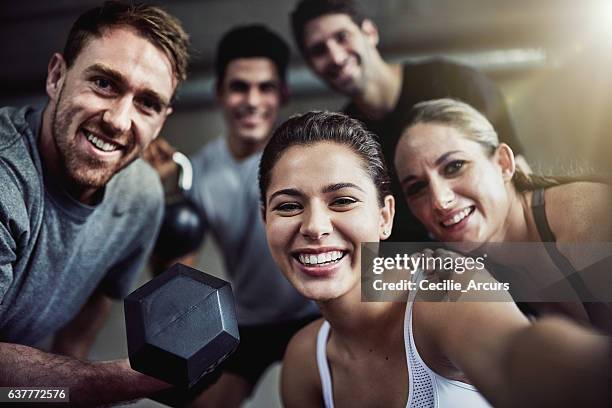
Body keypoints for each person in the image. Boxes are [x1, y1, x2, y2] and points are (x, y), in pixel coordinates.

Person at [258, 110, 609, 408]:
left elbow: (515, 355)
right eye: (288, 206)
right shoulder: (305, 361)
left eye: (343, 201)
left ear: (385, 217)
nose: (315, 227)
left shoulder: (444, 286)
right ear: (266, 220)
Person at [0, 1, 190, 405]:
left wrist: (57, 397)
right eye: (105, 83)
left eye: (147, 103)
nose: (119, 121)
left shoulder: (141, 196)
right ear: (56, 76)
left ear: (162, 121)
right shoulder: (6, 181)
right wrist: (114, 381)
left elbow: (95, 303)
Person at [143, 25, 319, 407]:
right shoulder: (201, 171)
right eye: (240, 87)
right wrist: (169, 199)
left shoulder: (304, 158)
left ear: (282, 95)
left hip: (313, 312)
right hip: (249, 323)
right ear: (219, 93)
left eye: (265, 88)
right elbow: (174, 277)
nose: (252, 101)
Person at [290, 0, 529, 243]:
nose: (336, 56)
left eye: (342, 37)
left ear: (369, 32)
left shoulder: (455, 82)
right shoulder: (345, 138)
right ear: (311, 66)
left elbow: (521, 180)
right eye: (319, 50)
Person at [394, 98, 612, 332]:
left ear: (504, 163)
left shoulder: (584, 215)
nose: (439, 200)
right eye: (417, 188)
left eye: (454, 166)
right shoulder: (473, 270)